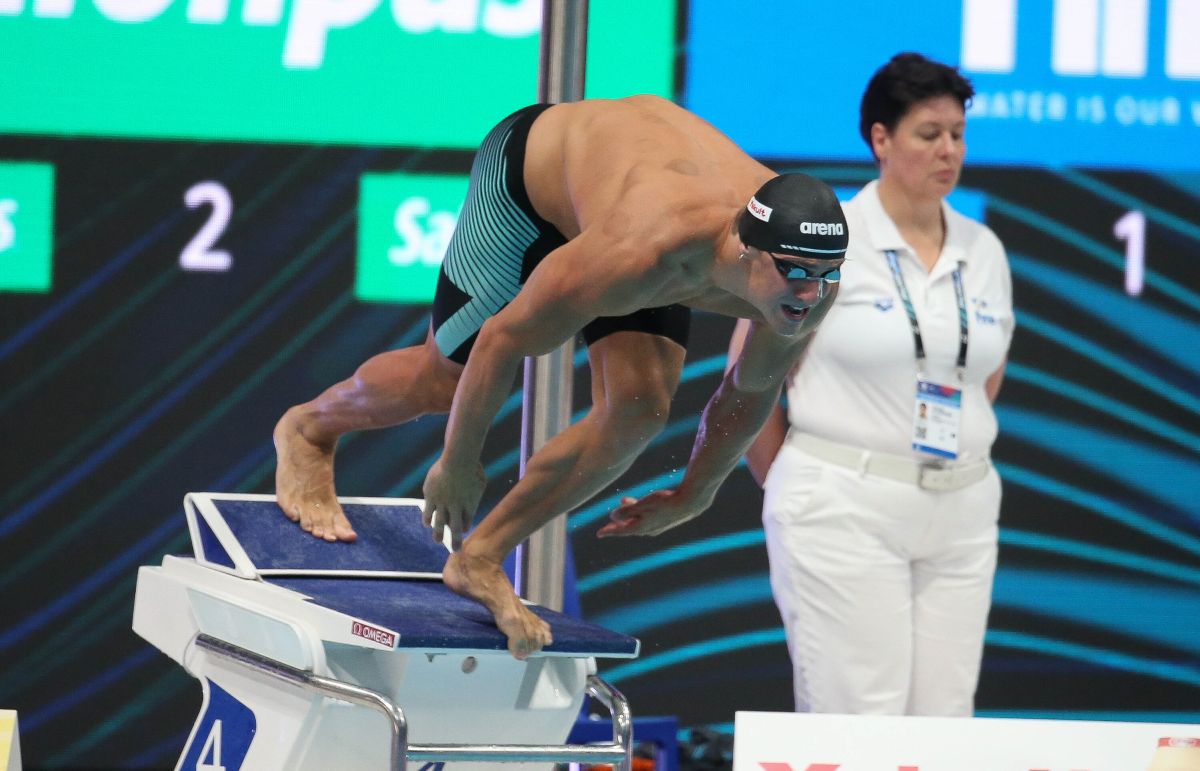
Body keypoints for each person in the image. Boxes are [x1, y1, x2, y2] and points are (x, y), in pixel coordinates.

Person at [273, 95, 849, 659]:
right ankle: (309, 428)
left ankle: (478, 559)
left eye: (823, 275)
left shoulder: (810, 288)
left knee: (638, 410)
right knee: (445, 381)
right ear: (748, 251)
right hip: (529, 184)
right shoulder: (642, 250)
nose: (808, 291)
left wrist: (695, 491)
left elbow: (748, 390)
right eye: (794, 272)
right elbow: (503, 339)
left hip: (619, 201)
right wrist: (458, 461)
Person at [728, 53, 1014, 715]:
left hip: (963, 508)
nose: (949, 149)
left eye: (957, 134)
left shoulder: (984, 248)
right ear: (880, 139)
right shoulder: (831, 239)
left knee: (945, 728)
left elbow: (982, 377)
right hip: (843, 503)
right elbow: (748, 379)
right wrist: (803, 484)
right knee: (860, 725)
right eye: (928, 133)